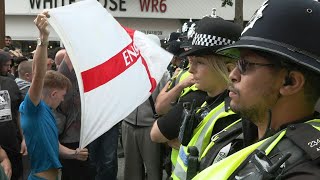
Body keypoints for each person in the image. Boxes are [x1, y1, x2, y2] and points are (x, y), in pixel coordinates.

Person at [193, 0, 320, 179]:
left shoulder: (306, 171)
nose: (232, 75)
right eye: (237, 62)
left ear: (290, 82)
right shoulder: (237, 131)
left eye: (245, 64)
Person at [162, 16, 242, 180]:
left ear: (229, 69)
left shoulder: (230, 118)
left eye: (199, 62)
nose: (190, 70)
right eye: (190, 62)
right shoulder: (208, 102)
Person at [20, 11, 88, 180]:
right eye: (63, 95)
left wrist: (74, 154)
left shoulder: (46, 111)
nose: (63, 99)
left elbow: (55, 145)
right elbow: (38, 75)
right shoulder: (32, 108)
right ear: (54, 93)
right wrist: (43, 39)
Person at [121, 34, 170, 180]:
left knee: (153, 169)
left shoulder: (162, 73)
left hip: (150, 126)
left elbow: (166, 102)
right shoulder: (128, 69)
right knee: (131, 170)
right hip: (128, 123)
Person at [55, 52, 95, 180]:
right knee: (74, 173)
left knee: (82, 172)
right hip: (70, 138)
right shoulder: (63, 80)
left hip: (80, 136)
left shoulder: (74, 80)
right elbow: (69, 55)